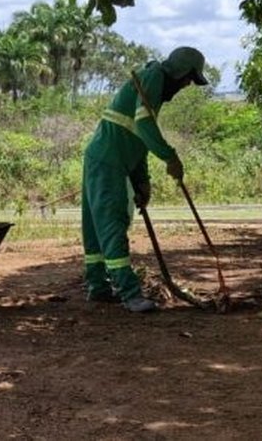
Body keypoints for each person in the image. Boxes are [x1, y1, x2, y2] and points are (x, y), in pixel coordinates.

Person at [81, 46, 208, 313]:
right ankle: (129, 293)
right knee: (110, 225)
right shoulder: (154, 77)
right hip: (108, 162)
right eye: (188, 79)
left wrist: (142, 181)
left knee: (97, 227)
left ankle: (98, 287)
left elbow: (136, 137)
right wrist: (170, 157)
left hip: (107, 160)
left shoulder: (152, 87)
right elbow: (144, 127)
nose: (186, 85)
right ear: (180, 72)